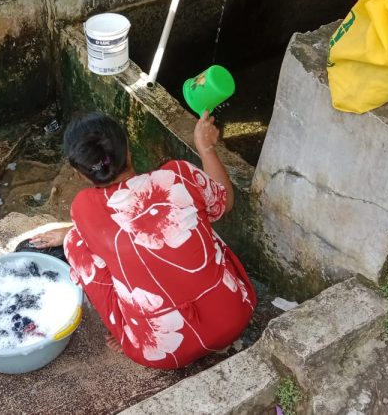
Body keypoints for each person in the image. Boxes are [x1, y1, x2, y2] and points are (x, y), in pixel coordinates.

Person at [30, 110, 256, 369]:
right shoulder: (178, 175)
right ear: (128, 149)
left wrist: (71, 233)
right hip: (235, 314)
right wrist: (205, 148)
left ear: (80, 174)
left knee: (74, 242)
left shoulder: (83, 208)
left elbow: (109, 231)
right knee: (195, 211)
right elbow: (224, 202)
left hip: (163, 352)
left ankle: (127, 330)